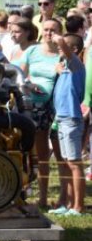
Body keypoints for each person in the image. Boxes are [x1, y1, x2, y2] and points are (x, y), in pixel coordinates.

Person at [22, 18, 65, 209]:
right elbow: (18, 72)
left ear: (59, 32)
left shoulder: (63, 55)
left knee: (44, 155)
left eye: (53, 30)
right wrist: (27, 83)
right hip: (29, 105)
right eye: (46, 29)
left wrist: (59, 72)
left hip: (50, 107)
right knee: (24, 151)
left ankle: (44, 197)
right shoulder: (32, 50)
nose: (48, 33)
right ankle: (22, 192)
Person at [49, 34, 86, 216]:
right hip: (62, 118)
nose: (59, 48)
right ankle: (69, 204)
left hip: (71, 119)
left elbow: (62, 46)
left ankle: (78, 206)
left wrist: (58, 38)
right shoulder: (66, 68)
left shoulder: (76, 64)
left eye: (64, 47)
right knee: (66, 163)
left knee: (74, 163)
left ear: (74, 50)